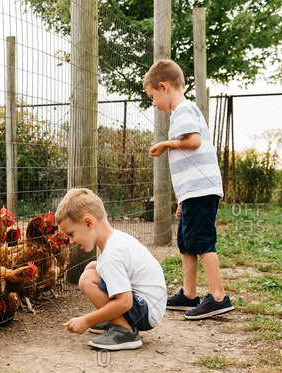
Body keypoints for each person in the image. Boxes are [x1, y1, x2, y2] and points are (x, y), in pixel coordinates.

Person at [143, 59, 234, 320]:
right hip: (193, 192)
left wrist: (165, 144)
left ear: (164, 86)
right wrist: (183, 198)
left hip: (201, 190)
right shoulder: (182, 111)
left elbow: (193, 141)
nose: (153, 103)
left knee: (201, 240)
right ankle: (189, 293)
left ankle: (218, 297)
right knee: (186, 242)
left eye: (152, 96)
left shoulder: (183, 110)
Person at [56, 188, 167, 350]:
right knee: (91, 268)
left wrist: (87, 320)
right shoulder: (116, 239)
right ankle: (116, 321)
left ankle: (125, 331)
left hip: (146, 311)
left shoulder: (111, 255)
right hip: (149, 305)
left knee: (87, 280)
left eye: (71, 234)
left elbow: (125, 302)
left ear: (88, 223)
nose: (71, 241)